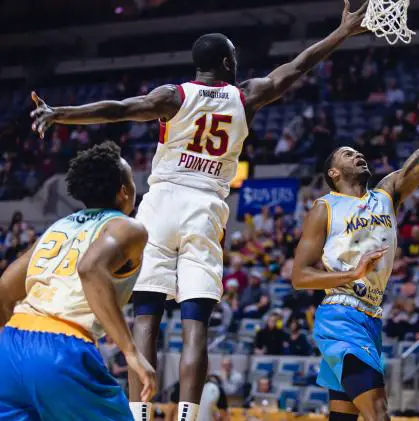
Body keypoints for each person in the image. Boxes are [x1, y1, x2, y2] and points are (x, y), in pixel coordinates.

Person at [30, 4, 369, 420]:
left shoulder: (173, 96)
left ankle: (139, 415)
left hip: (159, 206)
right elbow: (297, 67)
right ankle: (188, 416)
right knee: (195, 326)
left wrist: (60, 114)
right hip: (205, 208)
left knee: (145, 321)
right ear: (227, 62)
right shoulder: (247, 95)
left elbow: (118, 109)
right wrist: (341, 33)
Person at [291, 56, 419, 421]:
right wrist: (351, 275)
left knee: (344, 416)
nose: (359, 154)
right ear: (334, 172)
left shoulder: (387, 193)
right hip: (340, 315)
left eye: (359, 151)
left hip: (371, 316)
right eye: (348, 154)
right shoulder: (324, 207)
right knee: (379, 414)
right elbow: (300, 276)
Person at [0, 142, 156, 420]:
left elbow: (4, 289)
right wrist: (131, 352)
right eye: (132, 180)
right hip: (61, 349)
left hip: (10, 348)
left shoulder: (58, 226)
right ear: (124, 191)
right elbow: (90, 269)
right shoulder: (127, 226)